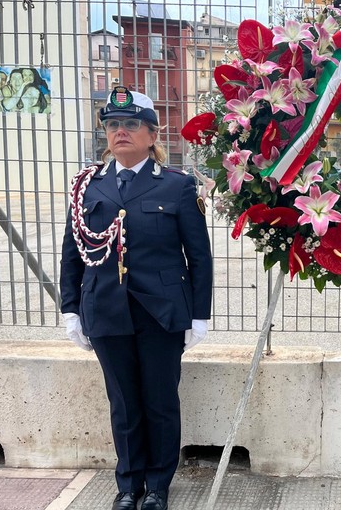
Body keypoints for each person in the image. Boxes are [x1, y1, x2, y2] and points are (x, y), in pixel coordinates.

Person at [60, 87, 213, 510]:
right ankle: (129, 486)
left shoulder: (178, 186)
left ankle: (158, 486)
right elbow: (72, 252)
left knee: (160, 402)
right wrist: (70, 309)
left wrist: (199, 316)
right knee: (123, 403)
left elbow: (199, 257)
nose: (120, 131)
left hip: (161, 313)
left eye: (130, 124)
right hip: (105, 309)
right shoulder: (88, 187)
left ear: (152, 134)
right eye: (112, 124)